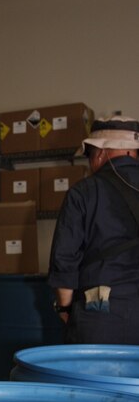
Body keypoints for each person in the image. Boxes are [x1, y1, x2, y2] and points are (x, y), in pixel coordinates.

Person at [48, 113, 139, 344]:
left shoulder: (84, 192)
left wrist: (64, 307)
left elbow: (64, 260)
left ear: (99, 153)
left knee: (89, 380)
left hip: (100, 312)